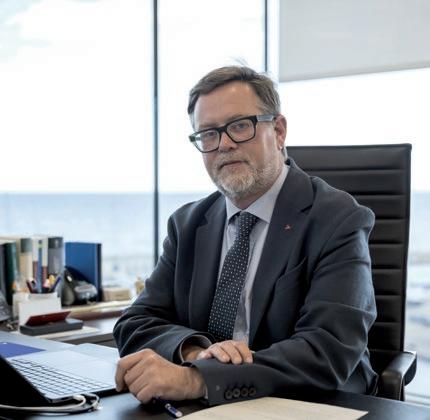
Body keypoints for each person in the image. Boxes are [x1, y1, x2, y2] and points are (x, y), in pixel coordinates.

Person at [113, 66, 378, 406]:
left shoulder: (337, 219)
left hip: (311, 404)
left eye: (240, 126)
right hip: (209, 406)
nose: (224, 144)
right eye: (208, 133)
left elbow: (327, 351)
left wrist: (200, 379)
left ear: (278, 131)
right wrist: (195, 352)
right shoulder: (187, 224)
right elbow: (135, 323)